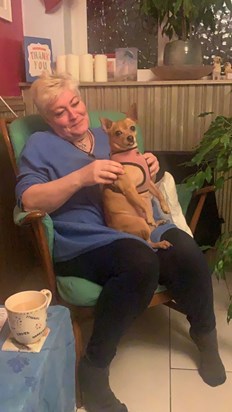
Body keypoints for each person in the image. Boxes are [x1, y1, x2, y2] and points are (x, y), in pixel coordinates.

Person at [16, 72, 226, 412]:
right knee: (141, 262)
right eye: (59, 112)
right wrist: (80, 177)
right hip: (83, 237)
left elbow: (136, 173)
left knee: (188, 252)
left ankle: (205, 335)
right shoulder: (39, 145)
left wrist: (149, 166)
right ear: (47, 118)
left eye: (75, 103)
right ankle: (94, 368)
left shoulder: (107, 134)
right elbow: (28, 200)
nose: (73, 114)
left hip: (135, 222)